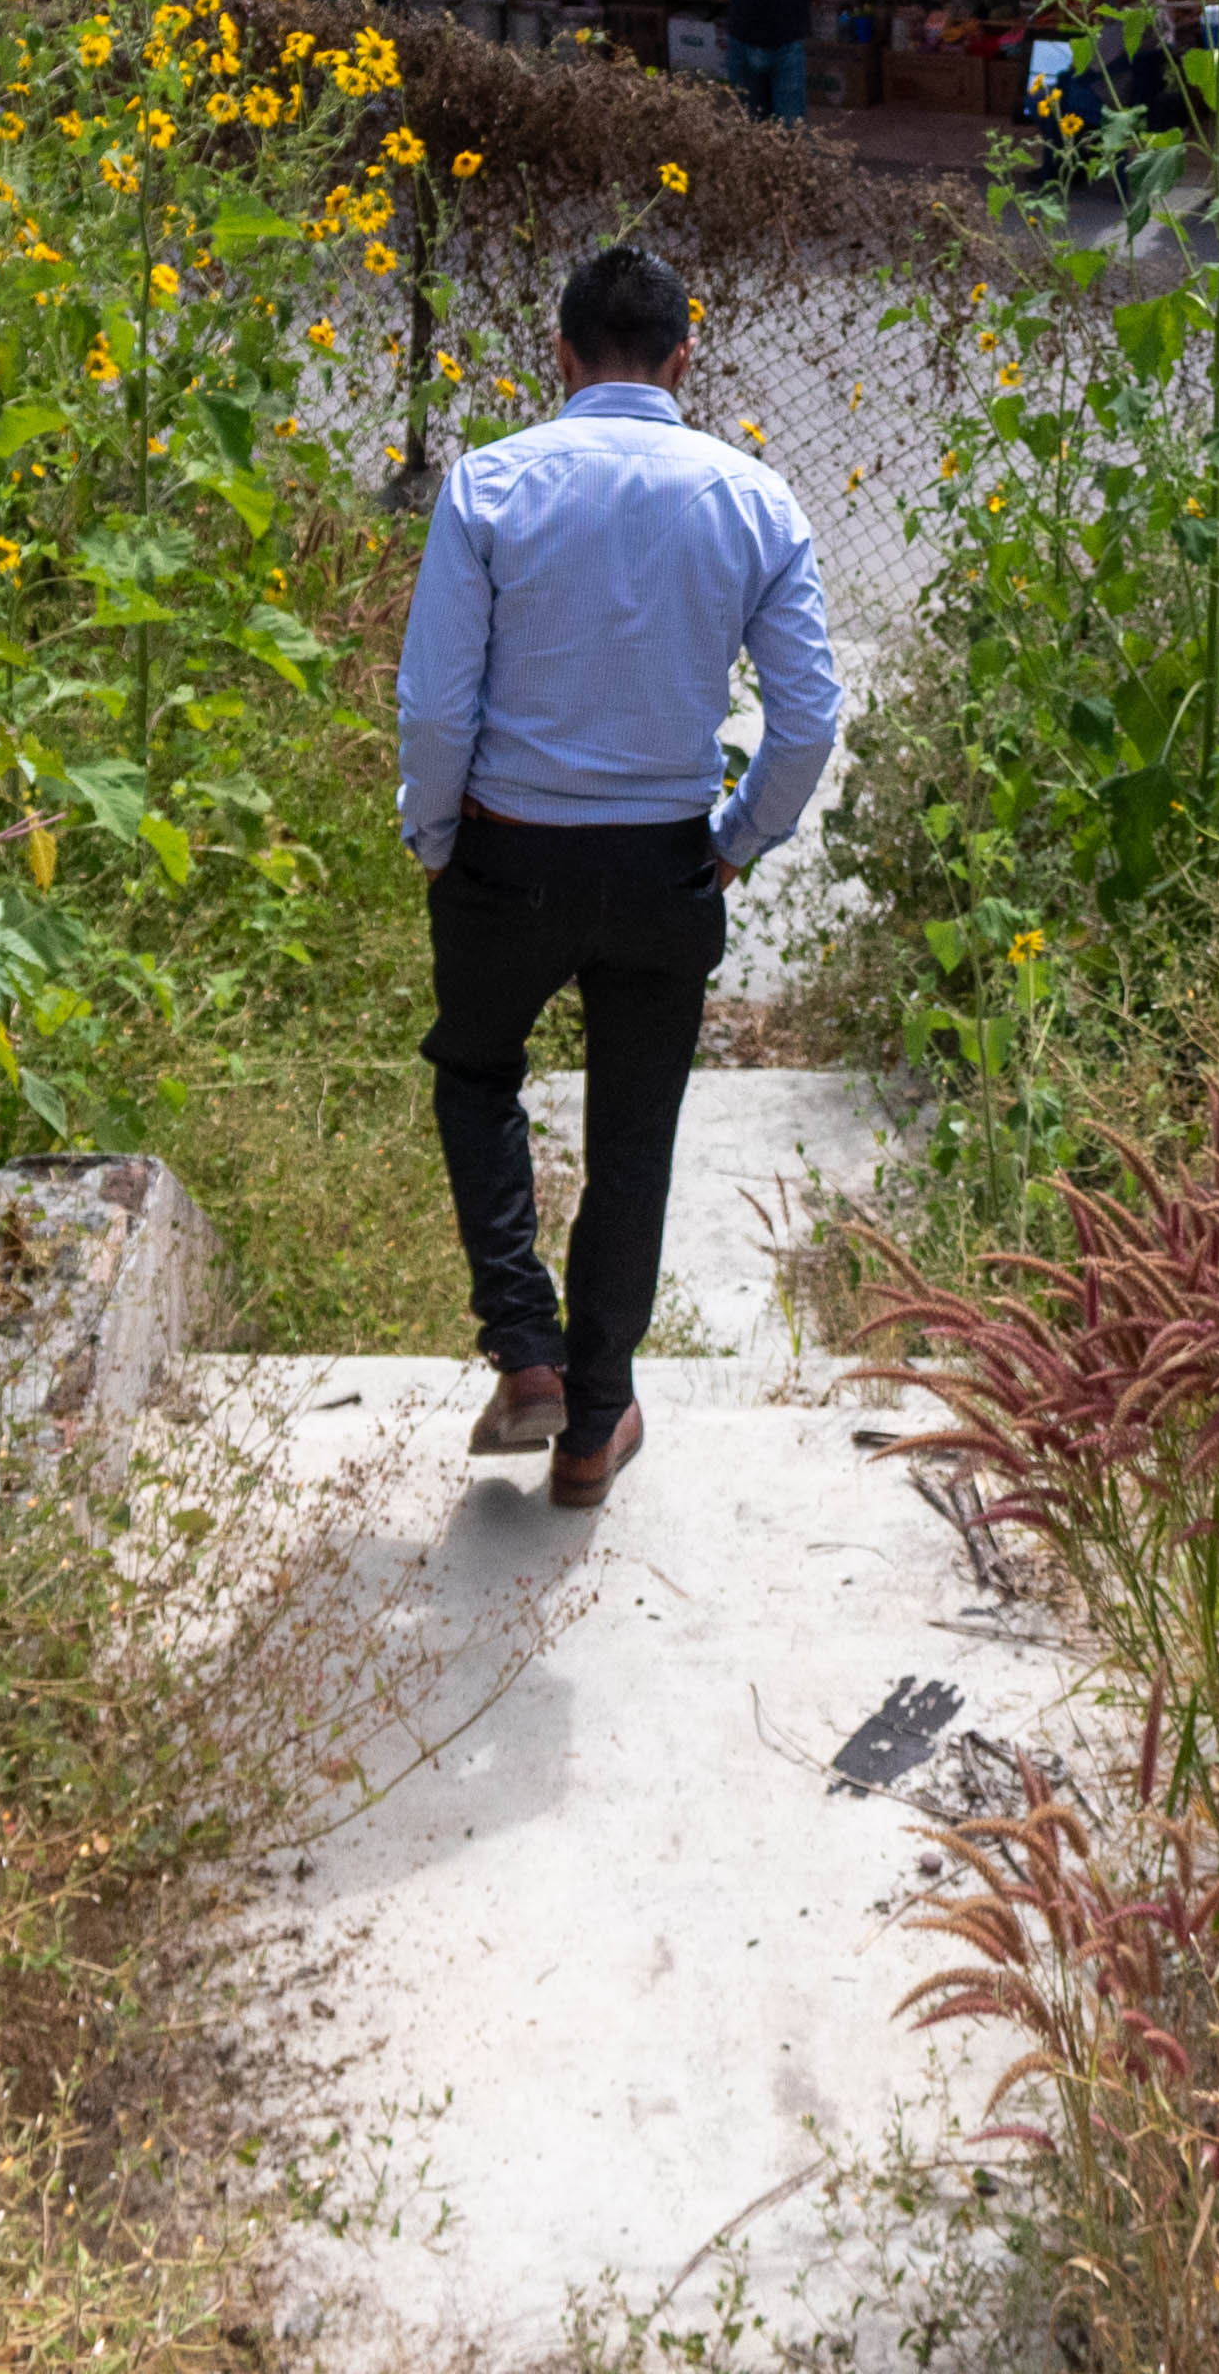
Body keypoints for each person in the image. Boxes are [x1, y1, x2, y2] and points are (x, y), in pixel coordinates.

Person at [392, 243, 841, 1509]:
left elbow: (437, 707)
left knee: (476, 1076)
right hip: (665, 863)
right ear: (686, 362)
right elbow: (808, 718)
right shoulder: (756, 499)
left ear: (563, 356)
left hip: (505, 852)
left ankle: (525, 1346)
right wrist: (736, 842)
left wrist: (437, 836)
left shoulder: (491, 486)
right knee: (634, 1139)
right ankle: (593, 1430)